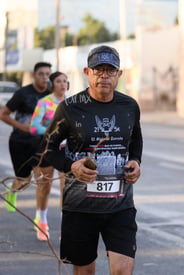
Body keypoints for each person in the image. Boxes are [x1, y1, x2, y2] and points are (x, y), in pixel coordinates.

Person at [44, 45, 142, 275]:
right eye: (98, 70)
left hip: (120, 206)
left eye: (110, 70)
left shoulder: (129, 106)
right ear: (87, 72)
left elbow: (136, 138)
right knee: (85, 271)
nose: (104, 76)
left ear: (119, 74)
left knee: (123, 271)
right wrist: (71, 166)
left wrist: (136, 161)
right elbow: (47, 149)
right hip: (80, 207)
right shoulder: (70, 107)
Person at [0, 62, 52, 213]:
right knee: (24, 181)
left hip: (40, 143)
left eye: (47, 74)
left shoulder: (50, 95)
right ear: (34, 75)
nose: (44, 77)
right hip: (20, 142)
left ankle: (40, 217)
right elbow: (3, 114)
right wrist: (21, 127)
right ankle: (13, 189)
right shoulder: (22, 93)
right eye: (41, 74)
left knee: (43, 181)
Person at [29, 71, 69, 241]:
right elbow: (33, 127)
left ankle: (65, 228)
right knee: (44, 187)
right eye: (59, 81)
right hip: (46, 148)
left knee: (66, 190)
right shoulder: (44, 102)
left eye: (65, 81)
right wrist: (52, 132)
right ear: (52, 85)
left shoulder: (72, 103)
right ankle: (42, 220)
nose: (62, 84)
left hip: (65, 150)